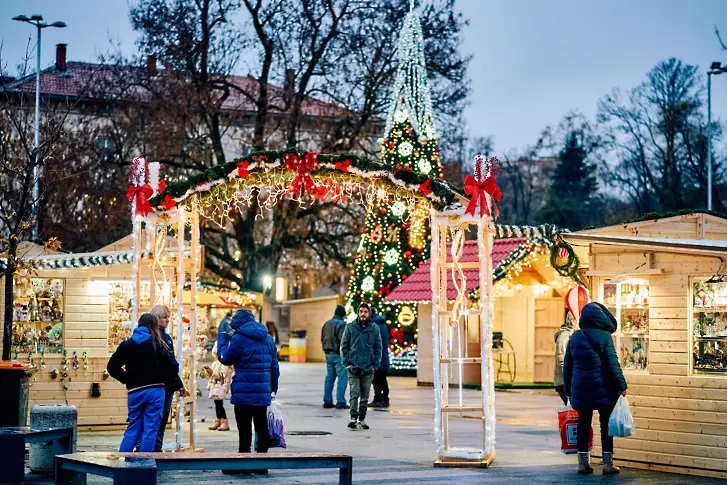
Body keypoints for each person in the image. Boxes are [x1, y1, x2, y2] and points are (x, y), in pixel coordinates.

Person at [563, 302, 627, 476]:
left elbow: (567, 367)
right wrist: (622, 385)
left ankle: (583, 464)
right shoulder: (605, 336)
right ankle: (608, 465)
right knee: (606, 425)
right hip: (603, 389)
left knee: (583, 423)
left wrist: (567, 390)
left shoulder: (575, 337)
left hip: (580, 389)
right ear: (601, 318)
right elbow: (612, 363)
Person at [107, 313, 185, 452]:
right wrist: (162, 379)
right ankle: (145, 464)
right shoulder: (159, 344)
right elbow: (173, 366)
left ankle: (123, 462)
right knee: (150, 430)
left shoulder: (127, 345)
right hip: (156, 392)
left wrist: (127, 379)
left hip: (135, 391)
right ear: (154, 326)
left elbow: (111, 367)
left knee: (133, 428)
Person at [217, 309, 280, 475]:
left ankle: (243, 463)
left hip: (243, 393)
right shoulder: (268, 339)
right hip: (262, 392)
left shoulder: (239, 338)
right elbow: (274, 367)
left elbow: (225, 358)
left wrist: (222, 339)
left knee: (244, 429)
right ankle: (261, 464)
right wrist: (273, 387)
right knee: (261, 427)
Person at [341, 303, 382, 431]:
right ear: (358, 313)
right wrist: (346, 363)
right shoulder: (350, 328)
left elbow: (378, 348)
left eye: (365, 311)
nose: (363, 314)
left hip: (368, 368)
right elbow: (344, 346)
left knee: (364, 395)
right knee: (354, 393)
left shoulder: (374, 329)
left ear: (369, 313)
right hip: (353, 367)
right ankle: (353, 418)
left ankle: (362, 419)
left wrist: (375, 365)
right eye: (361, 311)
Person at [321, 305, 349, 409]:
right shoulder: (341, 324)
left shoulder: (326, 323)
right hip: (338, 355)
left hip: (328, 354)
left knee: (330, 378)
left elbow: (322, 338)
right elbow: (343, 341)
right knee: (342, 378)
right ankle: (340, 401)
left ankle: (327, 401)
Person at [206, 342, 233, 431]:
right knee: (217, 404)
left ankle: (224, 420)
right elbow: (212, 375)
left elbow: (221, 375)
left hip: (220, 386)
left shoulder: (224, 364)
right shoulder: (216, 363)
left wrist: (212, 373)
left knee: (219, 404)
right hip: (215, 386)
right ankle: (218, 419)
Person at [369, 308, 390, 408]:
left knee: (378, 379)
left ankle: (382, 399)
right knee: (380, 378)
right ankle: (380, 398)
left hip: (377, 357)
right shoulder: (381, 324)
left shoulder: (374, 325)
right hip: (382, 356)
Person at [554, 309, 574, 406]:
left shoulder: (571, 334)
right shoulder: (565, 336)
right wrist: (569, 379)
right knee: (572, 411)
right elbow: (561, 360)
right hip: (564, 382)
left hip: (567, 381)